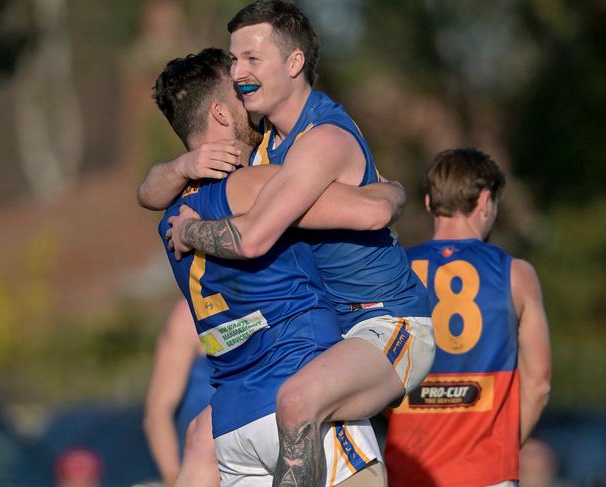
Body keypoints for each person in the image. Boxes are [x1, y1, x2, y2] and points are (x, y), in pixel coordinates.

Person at [163, 2, 435, 485]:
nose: (238, 72)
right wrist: (177, 168)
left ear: (294, 64)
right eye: (234, 60)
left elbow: (257, 237)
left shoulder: (320, 139)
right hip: (338, 336)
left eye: (252, 59)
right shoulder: (265, 144)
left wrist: (187, 232)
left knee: (295, 402)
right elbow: (149, 191)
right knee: (204, 431)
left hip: (389, 325)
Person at [383, 148, 552, 486]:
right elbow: (539, 382)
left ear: (430, 203)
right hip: (485, 471)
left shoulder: (393, 271)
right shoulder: (516, 274)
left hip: (409, 469)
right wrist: (502, 447)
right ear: (486, 200)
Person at [143, 299, 214, 486]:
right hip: (203, 466)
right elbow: (158, 413)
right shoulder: (188, 316)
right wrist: (173, 476)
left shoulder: (283, 292)